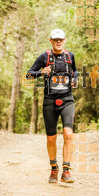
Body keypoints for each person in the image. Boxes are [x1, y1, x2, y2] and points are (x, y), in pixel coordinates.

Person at [27, 29, 78, 183]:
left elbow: (75, 71)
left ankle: (66, 171)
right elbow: (29, 74)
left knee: (68, 134)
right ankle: (54, 169)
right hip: (49, 101)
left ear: (64, 40)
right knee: (51, 138)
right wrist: (41, 73)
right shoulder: (45, 57)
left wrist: (75, 78)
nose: (58, 42)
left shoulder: (70, 56)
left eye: (61, 39)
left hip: (67, 100)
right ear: (50, 40)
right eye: (55, 39)